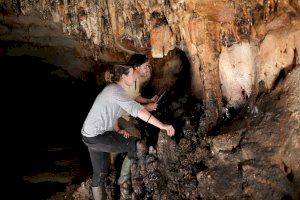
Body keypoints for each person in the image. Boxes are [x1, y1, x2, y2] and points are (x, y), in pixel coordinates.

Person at [81, 64, 175, 200]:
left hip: (90, 134)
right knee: (135, 146)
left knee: (100, 172)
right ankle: (123, 181)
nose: (135, 75)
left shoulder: (113, 90)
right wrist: (162, 126)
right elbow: (139, 112)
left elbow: (112, 114)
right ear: (123, 76)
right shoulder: (116, 91)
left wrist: (118, 130)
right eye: (132, 73)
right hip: (96, 136)